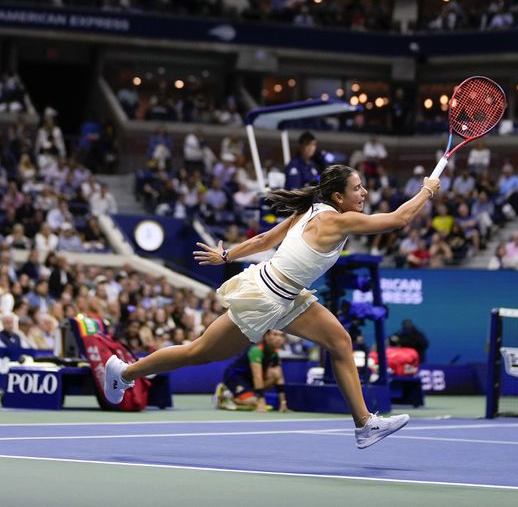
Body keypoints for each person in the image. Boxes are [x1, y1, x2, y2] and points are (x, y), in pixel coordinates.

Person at [104, 164, 440, 449]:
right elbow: (399, 219)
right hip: (265, 297)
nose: (364, 193)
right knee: (200, 352)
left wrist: (226, 255)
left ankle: (364, 424)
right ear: (338, 197)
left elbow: (264, 240)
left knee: (340, 342)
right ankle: (125, 372)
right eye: (358, 188)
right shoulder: (336, 221)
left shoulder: (313, 210)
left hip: (291, 297)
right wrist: (427, 190)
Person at [215, 329, 289, 412]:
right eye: (275, 335)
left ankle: (251, 396)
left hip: (249, 379)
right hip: (235, 376)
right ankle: (227, 394)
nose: (278, 338)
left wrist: (283, 403)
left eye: (281, 335)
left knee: (275, 373)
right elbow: (257, 376)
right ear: (266, 336)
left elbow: (280, 377)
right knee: (252, 402)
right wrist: (261, 401)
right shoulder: (256, 350)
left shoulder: (274, 354)